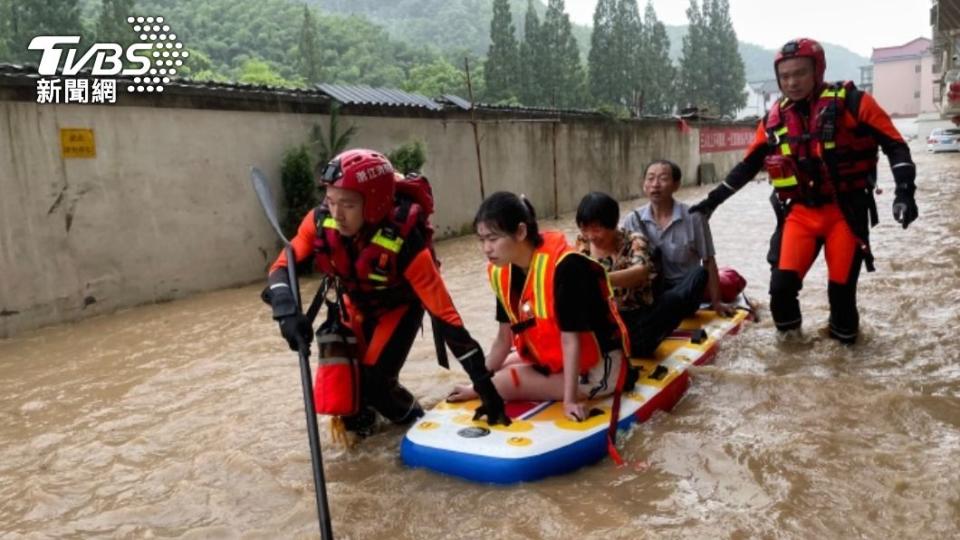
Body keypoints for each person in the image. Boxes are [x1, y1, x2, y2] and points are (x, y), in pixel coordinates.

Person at [264, 148, 508, 437]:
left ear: (375, 203)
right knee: (350, 396)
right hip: (353, 305)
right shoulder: (319, 220)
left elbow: (447, 318)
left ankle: (417, 426)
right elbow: (281, 268)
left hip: (398, 309)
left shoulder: (406, 241)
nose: (337, 214)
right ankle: (368, 451)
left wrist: (486, 390)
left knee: (377, 385)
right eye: (331, 201)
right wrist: (286, 312)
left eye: (348, 205)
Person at [689, 38, 918, 344]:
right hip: (799, 214)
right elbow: (746, 167)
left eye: (800, 74)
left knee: (841, 295)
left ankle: (843, 367)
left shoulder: (854, 102)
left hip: (845, 213)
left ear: (818, 71)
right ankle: (791, 359)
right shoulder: (774, 119)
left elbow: (895, 146)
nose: (792, 82)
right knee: (781, 290)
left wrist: (905, 193)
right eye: (785, 77)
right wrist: (711, 202)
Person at [447, 192, 629, 422]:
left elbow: (570, 339)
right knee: (502, 364)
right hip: (558, 358)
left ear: (521, 232)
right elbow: (503, 340)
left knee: (503, 382)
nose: (486, 248)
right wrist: (476, 384)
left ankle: (571, 388)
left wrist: (570, 400)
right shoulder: (503, 271)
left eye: (493, 239)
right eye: (481, 240)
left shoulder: (567, 267)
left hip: (599, 369)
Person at [576, 191, 690, 358]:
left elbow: (640, 272)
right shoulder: (582, 242)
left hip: (636, 317)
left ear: (612, 224)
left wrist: (599, 279)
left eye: (597, 228)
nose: (591, 235)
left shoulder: (634, 240)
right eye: (585, 228)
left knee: (674, 300)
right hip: (603, 319)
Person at [621, 160, 736, 321]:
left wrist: (717, 302)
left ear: (676, 185)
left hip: (685, 291)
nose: (655, 184)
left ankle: (661, 310)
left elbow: (709, 261)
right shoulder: (632, 219)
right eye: (650, 178)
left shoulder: (694, 217)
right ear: (644, 185)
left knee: (699, 273)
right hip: (651, 292)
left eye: (662, 178)